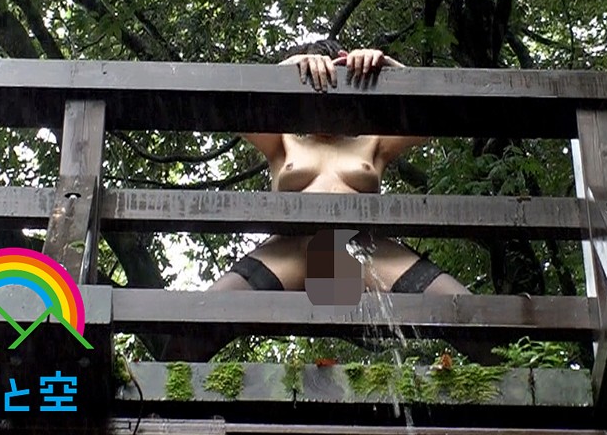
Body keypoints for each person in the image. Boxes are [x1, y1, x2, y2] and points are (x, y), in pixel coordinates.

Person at [168, 41, 494, 362]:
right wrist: (287, 69)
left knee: (479, 326)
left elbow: (434, 116)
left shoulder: (373, 141)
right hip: (293, 253)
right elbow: (231, 108)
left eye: (332, 79)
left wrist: (387, 68)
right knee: (188, 338)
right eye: (312, 80)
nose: (323, 91)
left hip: (365, 253)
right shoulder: (282, 140)